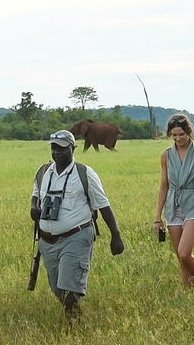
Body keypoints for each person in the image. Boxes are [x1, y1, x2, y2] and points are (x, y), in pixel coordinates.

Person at [31, 130, 124, 321]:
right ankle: (77, 319)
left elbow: (103, 205)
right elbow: (35, 194)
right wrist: (33, 207)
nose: (57, 152)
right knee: (58, 288)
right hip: (47, 240)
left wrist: (115, 235)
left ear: (73, 148)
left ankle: (74, 327)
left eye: (62, 149)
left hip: (76, 236)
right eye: (54, 148)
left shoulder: (84, 173)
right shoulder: (43, 172)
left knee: (70, 288)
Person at [154, 114, 194, 288]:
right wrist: (157, 218)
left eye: (181, 134)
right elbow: (164, 186)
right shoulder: (166, 155)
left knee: (185, 253)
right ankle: (189, 292)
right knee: (180, 257)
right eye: (174, 135)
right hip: (173, 205)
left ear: (189, 132)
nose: (178, 138)